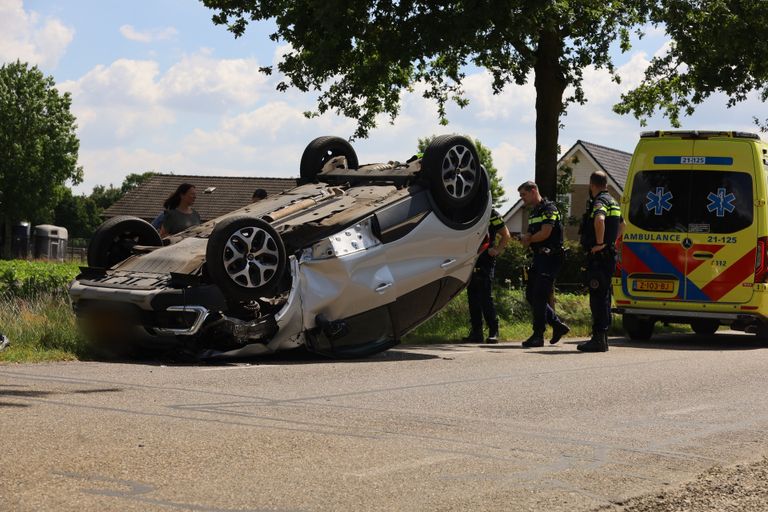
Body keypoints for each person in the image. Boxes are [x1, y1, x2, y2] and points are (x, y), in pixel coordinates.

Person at [518, 181, 570, 348]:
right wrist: (526, 239)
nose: (522, 199)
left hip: (551, 258)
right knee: (531, 294)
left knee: (539, 295)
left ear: (533, 191)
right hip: (539, 258)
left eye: (523, 195)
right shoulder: (534, 213)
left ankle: (538, 335)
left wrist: (529, 238)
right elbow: (533, 235)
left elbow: (545, 233)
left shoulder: (549, 209)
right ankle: (556, 325)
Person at [577, 171, 624, 352]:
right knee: (604, 296)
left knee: (597, 298)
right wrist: (611, 242)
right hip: (609, 256)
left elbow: (599, 219)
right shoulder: (613, 201)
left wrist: (599, 243)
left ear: (592, 184)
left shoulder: (600, 201)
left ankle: (598, 339)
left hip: (599, 258)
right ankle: (603, 339)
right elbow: (623, 224)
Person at [463, 208, 511, 344]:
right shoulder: (467, 212)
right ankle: (476, 333)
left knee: (485, 297)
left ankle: (493, 331)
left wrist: (496, 250)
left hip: (485, 261)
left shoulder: (491, 213)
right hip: (471, 260)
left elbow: (506, 235)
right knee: (472, 297)